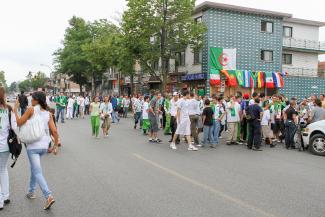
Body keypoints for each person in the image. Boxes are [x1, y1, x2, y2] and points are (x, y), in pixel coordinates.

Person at [13, 91, 59, 210]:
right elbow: (54, 131)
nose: (30, 100)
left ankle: (48, 196)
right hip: (44, 146)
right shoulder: (48, 113)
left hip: (33, 146)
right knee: (35, 168)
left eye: (32, 98)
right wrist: (55, 146)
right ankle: (31, 191)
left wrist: (15, 110)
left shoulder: (31, 110)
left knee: (37, 171)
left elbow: (18, 123)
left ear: (37, 100)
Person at [0, 87, 17, 211]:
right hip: (6, 145)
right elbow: (15, 127)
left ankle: (0, 201)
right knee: (2, 170)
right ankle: (5, 196)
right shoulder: (8, 109)